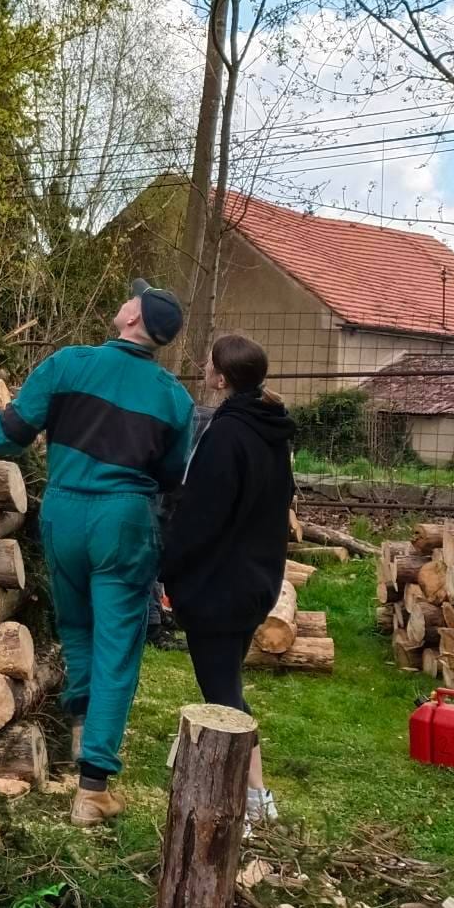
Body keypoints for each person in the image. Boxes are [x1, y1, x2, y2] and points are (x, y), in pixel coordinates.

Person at [0, 282, 195, 827]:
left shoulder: (67, 364)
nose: (125, 300)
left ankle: (81, 740)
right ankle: (93, 785)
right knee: (117, 647)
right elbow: (171, 477)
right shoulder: (175, 397)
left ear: (135, 319)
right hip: (123, 519)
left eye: (133, 300)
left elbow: (10, 435)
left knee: (77, 630)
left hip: (63, 511)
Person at [160, 332, 296, 826]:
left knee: (222, 693)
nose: (201, 368)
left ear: (221, 377)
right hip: (257, 580)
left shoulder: (227, 433)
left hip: (219, 586)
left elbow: (202, 516)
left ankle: (255, 796)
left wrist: (169, 566)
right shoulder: (270, 429)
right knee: (227, 680)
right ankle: (214, 766)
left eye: (208, 364)